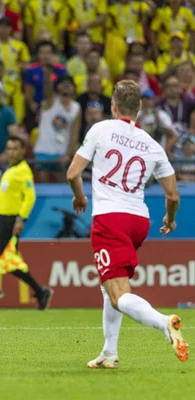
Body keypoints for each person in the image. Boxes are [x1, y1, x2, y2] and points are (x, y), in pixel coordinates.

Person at [66, 80, 188, 368]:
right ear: (140, 109)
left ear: (113, 105)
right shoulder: (152, 144)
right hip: (139, 220)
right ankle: (109, 352)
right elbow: (172, 194)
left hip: (110, 218)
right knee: (110, 284)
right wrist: (170, 220)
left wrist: (80, 197)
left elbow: (73, 173)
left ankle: (164, 323)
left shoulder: (100, 129)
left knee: (119, 293)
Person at [0, 137, 53, 309]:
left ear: (22, 151)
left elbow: (30, 197)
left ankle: (40, 290)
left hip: (9, 221)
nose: (11, 152)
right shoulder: (10, 170)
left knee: (8, 262)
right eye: (9, 148)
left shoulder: (23, 171)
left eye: (15, 149)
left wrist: (21, 219)